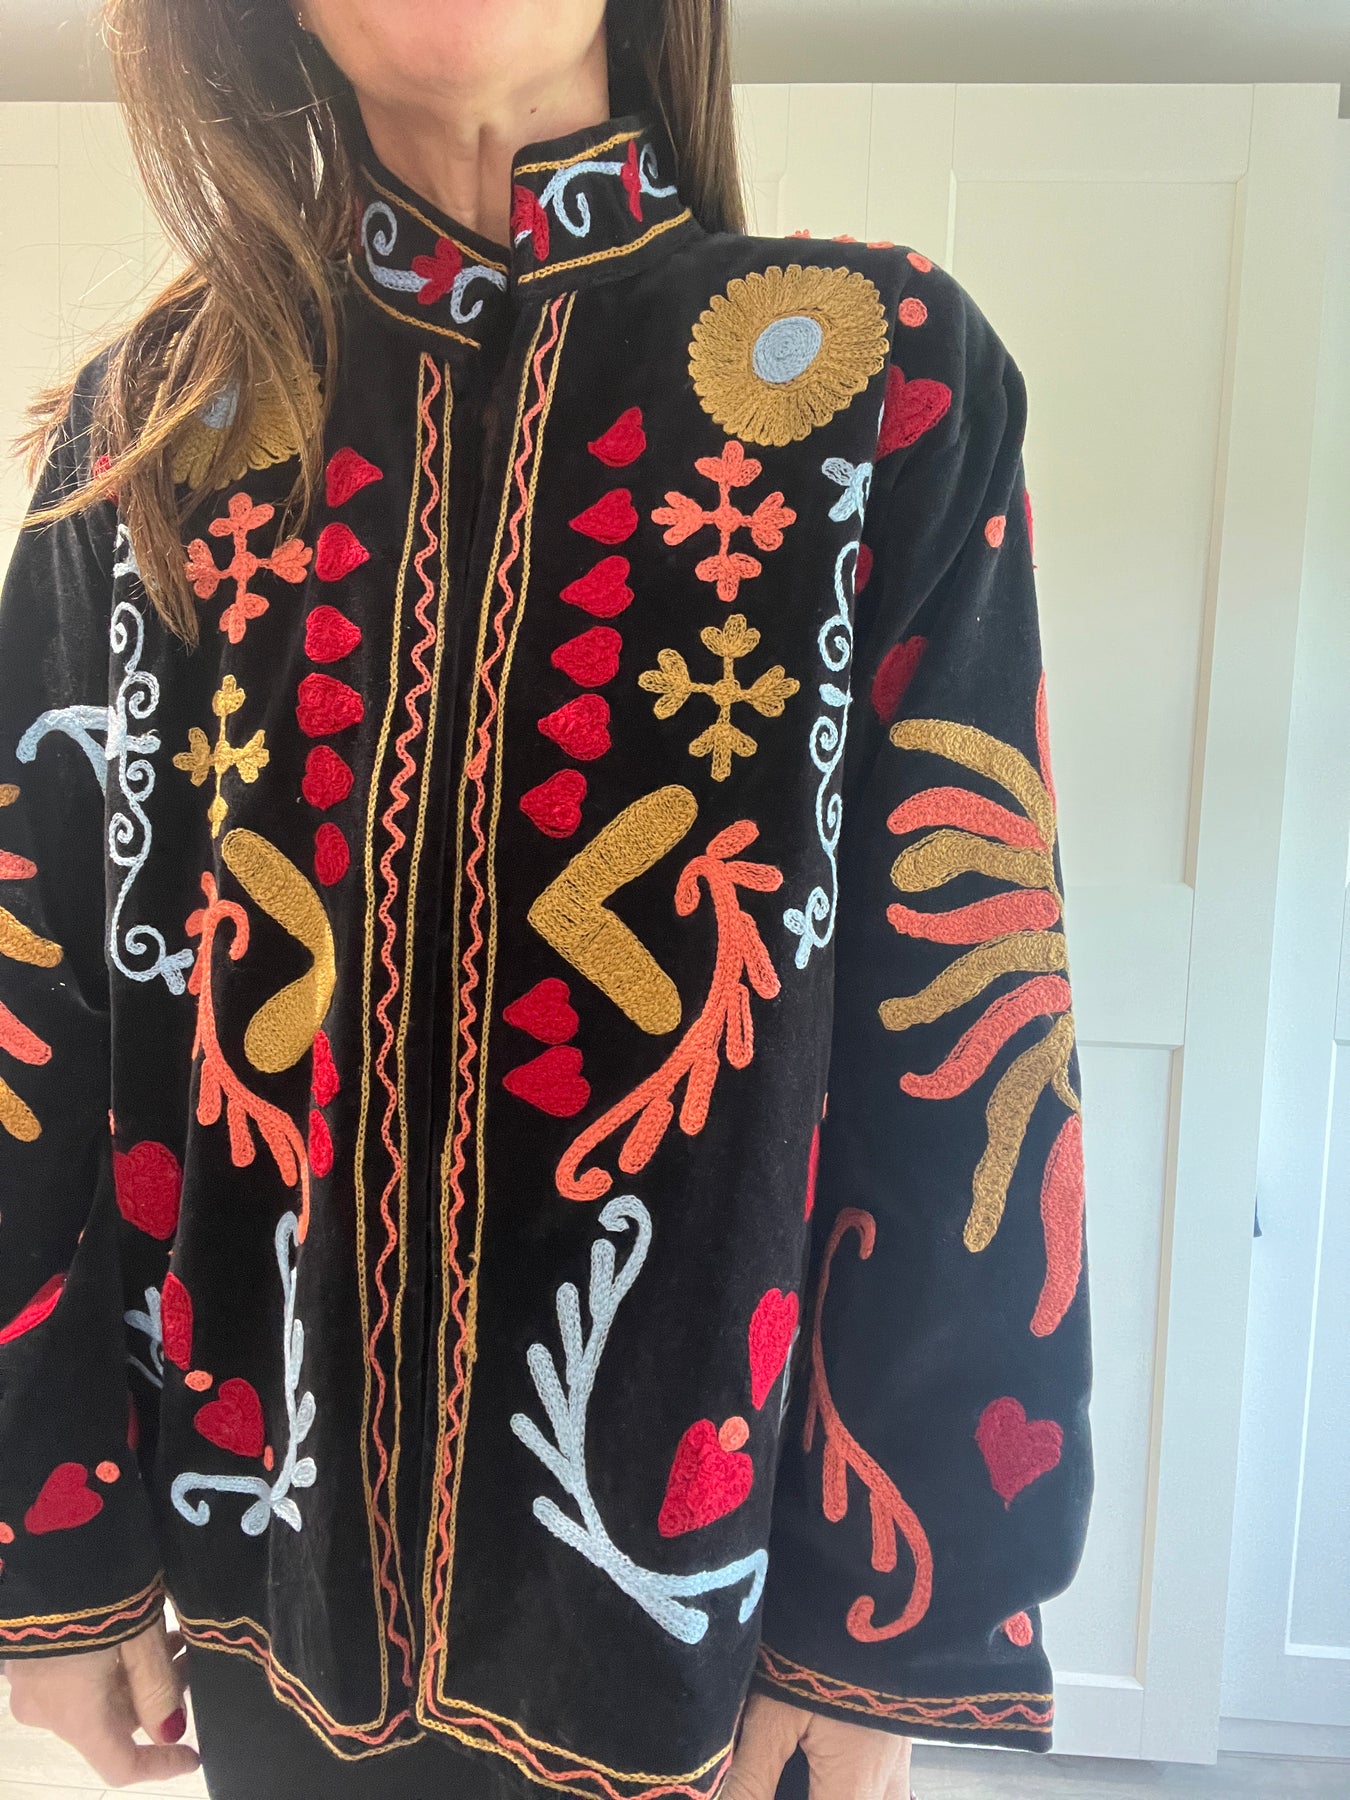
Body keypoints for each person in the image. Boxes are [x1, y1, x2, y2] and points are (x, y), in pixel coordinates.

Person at [0, 1, 1094, 1795]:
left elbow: (966, 1010)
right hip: (268, 1558)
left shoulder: (872, 371)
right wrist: (42, 1540)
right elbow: (30, 997)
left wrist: (897, 1616)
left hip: (708, 1593)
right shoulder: (163, 429)